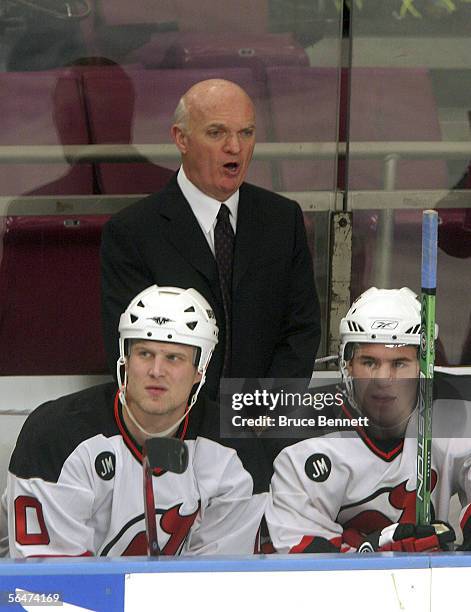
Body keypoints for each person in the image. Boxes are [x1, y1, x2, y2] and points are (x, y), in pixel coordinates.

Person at [6, 285, 267, 557]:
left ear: (200, 370)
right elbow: (54, 585)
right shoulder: (56, 436)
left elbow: (220, 583)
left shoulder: (236, 452)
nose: (156, 371)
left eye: (174, 358)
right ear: (125, 360)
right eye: (144, 354)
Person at [100, 78, 321, 399]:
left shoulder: (282, 219)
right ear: (181, 138)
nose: (235, 147)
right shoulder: (132, 232)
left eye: (246, 132)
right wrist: (197, 423)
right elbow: (130, 348)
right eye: (217, 133)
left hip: (261, 426)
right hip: (178, 427)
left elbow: (300, 330)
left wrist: (267, 410)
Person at [265, 287, 471, 553]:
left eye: (399, 363)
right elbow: (304, 562)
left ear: (424, 366)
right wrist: (378, 549)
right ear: (347, 364)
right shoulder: (300, 436)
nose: (383, 379)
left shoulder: (460, 408)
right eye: (369, 362)